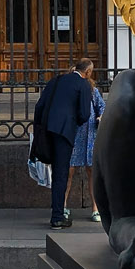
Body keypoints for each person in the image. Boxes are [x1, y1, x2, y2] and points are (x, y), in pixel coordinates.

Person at [31, 60, 95, 230]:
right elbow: (84, 114)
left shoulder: (56, 80)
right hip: (64, 132)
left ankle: (58, 214)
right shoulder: (83, 85)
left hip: (46, 129)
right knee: (61, 173)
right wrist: (72, 123)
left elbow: (39, 106)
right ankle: (57, 217)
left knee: (54, 170)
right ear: (87, 72)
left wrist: (39, 128)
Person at [66, 70, 105, 223]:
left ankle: (95, 208)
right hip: (73, 135)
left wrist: (101, 116)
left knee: (92, 172)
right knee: (68, 172)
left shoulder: (92, 91)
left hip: (90, 135)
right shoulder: (69, 91)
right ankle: (62, 206)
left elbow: (101, 106)